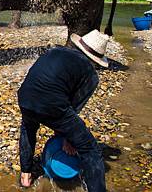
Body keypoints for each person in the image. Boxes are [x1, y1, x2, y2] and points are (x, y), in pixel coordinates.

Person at [17, 29, 110, 191]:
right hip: (51, 104)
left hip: (25, 97)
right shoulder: (91, 75)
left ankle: (26, 176)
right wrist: (69, 138)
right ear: (96, 60)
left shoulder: (55, 50)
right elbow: (72, 109)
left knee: (28, 128)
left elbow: (39, 76)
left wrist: (64, 134)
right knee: (90, 149)